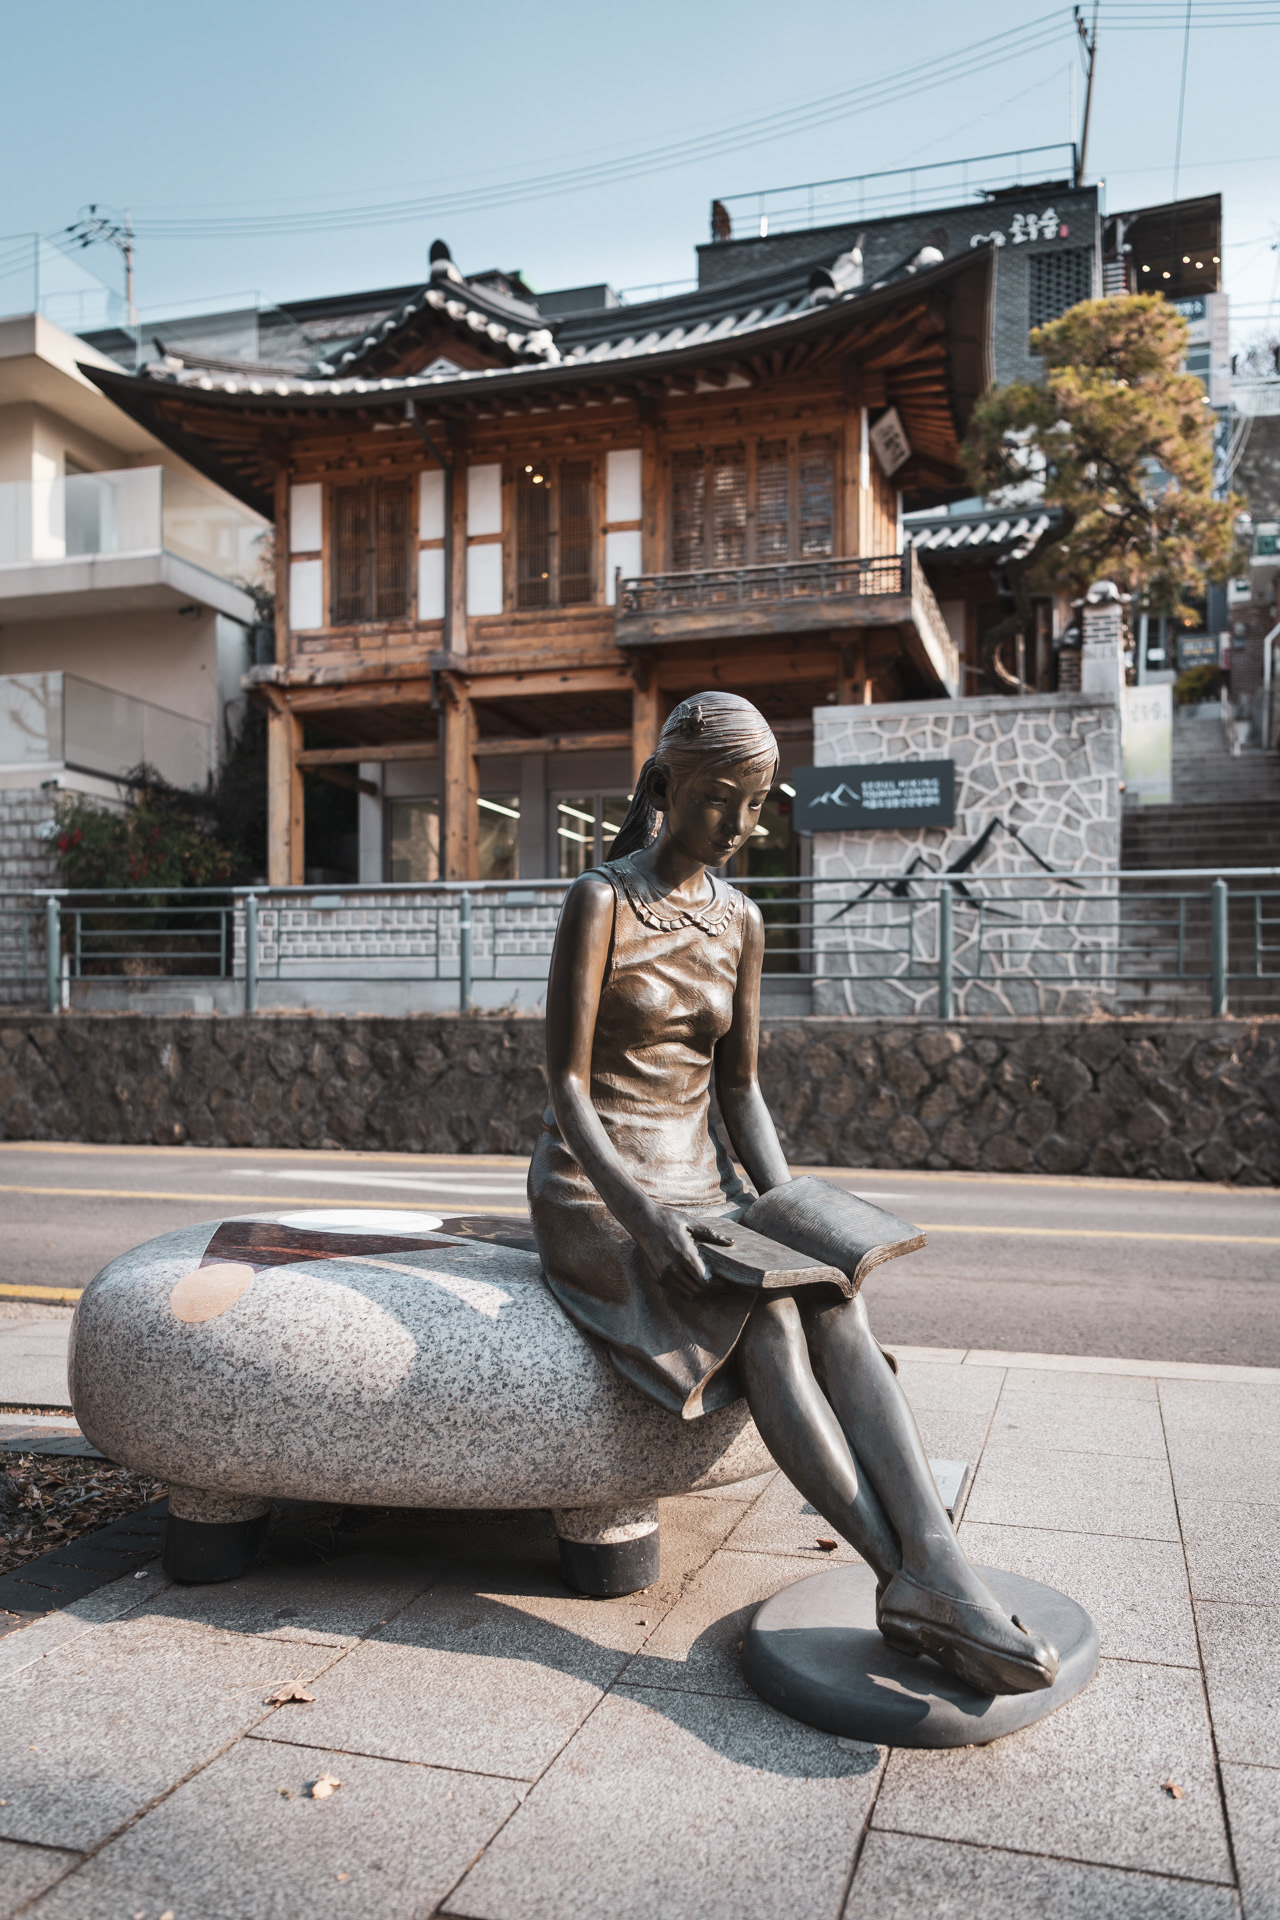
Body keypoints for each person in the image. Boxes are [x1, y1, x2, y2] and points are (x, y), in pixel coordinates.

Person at [530, 691, 1057, 1696]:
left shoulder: (741, 919)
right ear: (664, 788)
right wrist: (643, 1217)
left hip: (707, 1179)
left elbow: (741, 1090)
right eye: (722, 801)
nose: (740, 825)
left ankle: (936, 1568)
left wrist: (791, 1212)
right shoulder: (599, 900)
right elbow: (561, 1089)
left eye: (757, 804)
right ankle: (906, 1580)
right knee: (765, 1327)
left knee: (833, 1299)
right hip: (599, 1188)